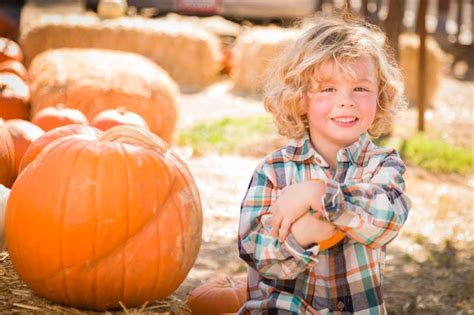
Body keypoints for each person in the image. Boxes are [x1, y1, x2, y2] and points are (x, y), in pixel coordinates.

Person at [238, 14, 412, 314]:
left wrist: (319, 195)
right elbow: (255, 252)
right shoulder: (274, 170)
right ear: (300, 98)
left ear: (380, 96)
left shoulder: (382, 166)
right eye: (328, 89)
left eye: (360, 88)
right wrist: (302, 235)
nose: (346, 101)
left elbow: (387, 220)